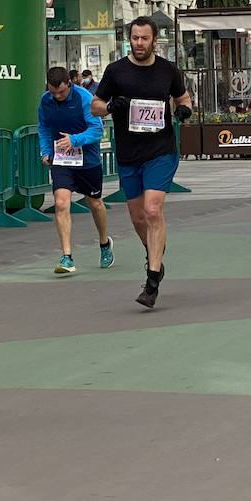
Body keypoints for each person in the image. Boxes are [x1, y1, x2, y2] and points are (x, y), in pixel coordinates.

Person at [92, 16, 192, 309]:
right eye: (134, 38)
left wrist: (184, 110)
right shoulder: (116, 71)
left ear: (154, 41)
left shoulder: (168, 71)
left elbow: (183, 98)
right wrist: (110, 106)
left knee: (152, 209)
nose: (138, 43)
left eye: (144, 39)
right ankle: (155, 252)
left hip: (160, 150)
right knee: (138, 218)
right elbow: (95, 105)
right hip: (128, 154)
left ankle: (152, 279)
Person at [38, 65, 114, 274]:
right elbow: (43, 127)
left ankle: (104, 242)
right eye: (53, 92)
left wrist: (74, 140)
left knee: (95, 203)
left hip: (87, 159)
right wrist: (45, 151)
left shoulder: (84, 98)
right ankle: (66, 256)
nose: (58, 96)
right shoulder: (45, 100)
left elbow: (97, 130)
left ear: (69, 84)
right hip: (61, 159)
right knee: (61, 203)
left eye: (61, 92)